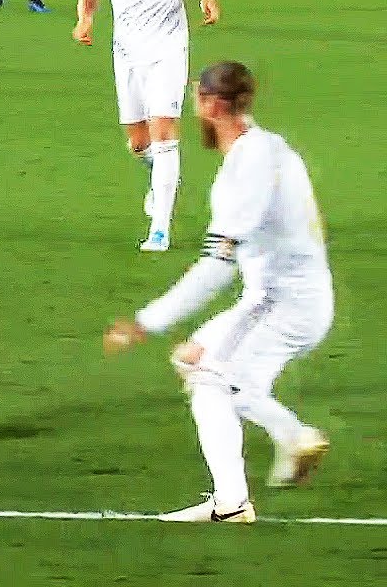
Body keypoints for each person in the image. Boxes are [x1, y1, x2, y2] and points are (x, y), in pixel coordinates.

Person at [105, 61, 333, 523]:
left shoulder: (248, 166)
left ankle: (272, 457)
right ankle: (253, 476)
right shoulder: (269, 148)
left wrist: (146, 322)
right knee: (197, 363)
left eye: (197, 98)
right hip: (289, 296)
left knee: (214, 376)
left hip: (281, 304)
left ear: (211, 105)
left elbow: (217, 267)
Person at [73, 0, 219, 251]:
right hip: (127, 52)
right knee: (138, 142)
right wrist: (84, 19)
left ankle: (160, 229)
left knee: (164, 132)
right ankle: (161, 174)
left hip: (169, 47)